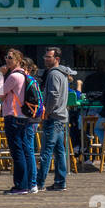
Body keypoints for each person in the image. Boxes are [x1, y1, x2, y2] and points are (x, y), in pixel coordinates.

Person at [0, 49, 36, 194]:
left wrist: (1, 75)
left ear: (18, 60)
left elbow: (0, 92)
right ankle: (26, 184)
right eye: (6, 57)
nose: (7, 60)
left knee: (17, 152)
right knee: (24, 150)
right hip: (23, 117)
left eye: (10, 58)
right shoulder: (24, 75)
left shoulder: (13, 76)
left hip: (13, 116)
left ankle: (20, 185)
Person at [40, 47, 71, 191]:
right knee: (59, 152)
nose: (46, 59)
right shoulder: (64, 74)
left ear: (56, 59)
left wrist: (47, 112)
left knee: (46, 151)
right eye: (45, 57)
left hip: (53, 117)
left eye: (49, 57)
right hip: (61, 117)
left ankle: (39, 182)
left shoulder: (53, 74)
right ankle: (60, 181)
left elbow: (53, 95)